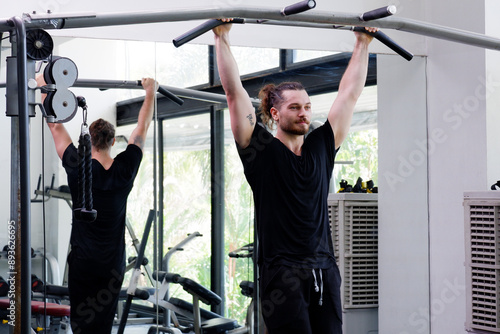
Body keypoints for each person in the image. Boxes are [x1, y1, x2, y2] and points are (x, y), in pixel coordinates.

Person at [213, 21, 377, 334]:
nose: (304, 113)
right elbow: (234, 94)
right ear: (274, 113)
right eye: (294, 107)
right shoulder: (259, 149)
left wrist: (362, 43)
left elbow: (350, 95)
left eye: (307, 107)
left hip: (325, 268)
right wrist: (223, 37)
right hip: (281, 273)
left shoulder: (321, 146)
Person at [44, 77, 157, 333]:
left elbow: (55, 127)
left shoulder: (76, 166)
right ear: (113, 141)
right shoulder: (125, 169)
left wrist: (45, 89)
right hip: (111, 266)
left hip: (83, 263)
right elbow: (142, 127)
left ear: (88, 140)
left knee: (81, 324)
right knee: (104, 324)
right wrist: (150, 92)